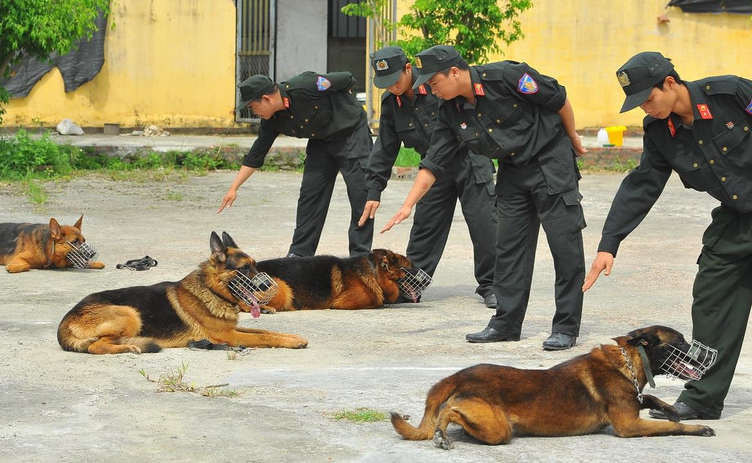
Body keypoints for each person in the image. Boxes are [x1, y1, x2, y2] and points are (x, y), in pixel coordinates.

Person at [582, 51, 752, 431]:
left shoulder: (732, 95)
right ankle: (702, 397)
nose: (647, 107)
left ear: (670, 82)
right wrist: (608, 243)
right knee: (711, 304)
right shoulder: (660, 132)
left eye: (649, 97)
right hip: (733, 219)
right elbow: (643, 185)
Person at [379, 45, 588, 349]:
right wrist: (408, 205)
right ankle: (506, 323)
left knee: (563, 245)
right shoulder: (450, 111)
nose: (432, 91)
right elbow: (433, 161)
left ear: (454, 72)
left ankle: (566, 326)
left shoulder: (506, 77)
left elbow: (558, 99)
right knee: (509, 249)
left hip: (550, 162)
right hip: (512, 170)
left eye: (434, 83)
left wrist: (573, 137)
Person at [359, 46, 497, 307]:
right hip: (432, 172)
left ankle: (494, 286)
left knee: (485, 226)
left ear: (408, 69)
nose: (392, 88)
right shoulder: (392, 104)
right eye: (385, 84)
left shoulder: (438, 88)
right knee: (425, 228)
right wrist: (374, 190)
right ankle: (411, 285)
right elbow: (384, 149)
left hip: (470, 162)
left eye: (396, 80)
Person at [218, 71, 374, 258]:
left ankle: (360, 257)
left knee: (360, 196)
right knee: (310, 195)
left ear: (266, 99)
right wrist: (234, 187)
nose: (254, 112)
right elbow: (257, 152)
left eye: (253, 107)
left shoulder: (306, 86)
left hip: (351, 134)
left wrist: (342, 105)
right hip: (321, 141)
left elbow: (346, 78)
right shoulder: (272, 120)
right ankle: (299, 255)